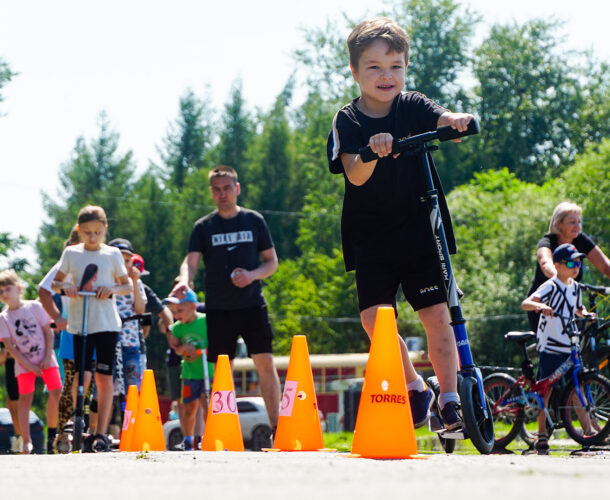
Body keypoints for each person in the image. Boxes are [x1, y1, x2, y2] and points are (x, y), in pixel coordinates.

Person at [326, 17, 476, 431]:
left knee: (436, 315)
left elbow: (443, 120)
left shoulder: (412, 106)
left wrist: (456, 120)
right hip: (371, 235)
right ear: (355, 72)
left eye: (395, 66)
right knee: (375, 319)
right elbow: (354, 174)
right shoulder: (349, 121)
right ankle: (415, 385)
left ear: (406, 68)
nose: (386, 76)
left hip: (420, 228)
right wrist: (373, 152)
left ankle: (449, 401)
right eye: (373, 67)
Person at [171, 165, 281, 437]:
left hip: (253, 305)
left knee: (265, 362)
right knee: (222, 370)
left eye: (227, 188)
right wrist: (185, 279)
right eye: (217, 189)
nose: (223, 194)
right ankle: (224, 431)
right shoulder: (203, 227)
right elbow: (191, 263)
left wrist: (252, 275)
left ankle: (278, 428)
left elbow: (272, 263)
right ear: (211, 192)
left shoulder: (254, 221)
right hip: (219, 309)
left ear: (237, 189)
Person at [51, 205, 133, 440]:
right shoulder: (72, 254)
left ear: (105, 229)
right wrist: (67, 286)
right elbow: (56, 284)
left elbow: (126, 286)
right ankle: (78, 418)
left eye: (98, 232)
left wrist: (112, 289)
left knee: (104, 378)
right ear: (79, 230)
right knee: (81, 374)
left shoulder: (112, 254)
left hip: (106, 324)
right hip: (80, 323)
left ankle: (101, 431)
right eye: (87, 232)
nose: (93, 237)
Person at [521, 243, 594, 454]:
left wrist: (585, 314)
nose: (576, 267)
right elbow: (527, 303)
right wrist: (541, 306)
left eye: (578, 263)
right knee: (546, 389)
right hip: (551, 345)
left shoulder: (575, 287)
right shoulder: (550, 285)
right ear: (557, 266)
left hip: (569, 343)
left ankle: (588, 433)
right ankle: (541, 434)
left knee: (577, 388)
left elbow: (578, 309)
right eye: (571, 263)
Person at [0, 269, 63, 454]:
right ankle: (26, 441)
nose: (4, 294)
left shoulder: (35, 307)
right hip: (24, 364)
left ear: (18, 288)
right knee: (24, 400)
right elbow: (10, 347)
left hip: (46, 359)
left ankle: (57, 434)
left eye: (7, 289)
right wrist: (29, 366)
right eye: (0, 291)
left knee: (57, 392)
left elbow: (48, 331)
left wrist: (45, 357)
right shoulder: (3, 318)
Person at [527, 201, 610, 332]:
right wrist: (562, 278)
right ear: (558, 224)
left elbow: (605, 267)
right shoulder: (547, 242)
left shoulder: (581, 240)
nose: (577, 227)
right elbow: (545, 263)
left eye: (579, 222)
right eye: (572, 222)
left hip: (569, 304)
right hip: (544, 307)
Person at [38, 225, 82, 451]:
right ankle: (54, 436)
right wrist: (56, 319)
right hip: (61, 335)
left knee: (80, 384)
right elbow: (43, 293)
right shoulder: (63, 266)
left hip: (87, 329)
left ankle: (78, 431)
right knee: (58, 389)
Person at [163, 288, 213, 451]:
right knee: (188, 407)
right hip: (190, 372)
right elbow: (176, 349)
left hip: (208, 371)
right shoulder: (177, 328)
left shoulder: (206, 321)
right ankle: (188, 439)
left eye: (180, 310)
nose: (176, 315)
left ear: (192, 306)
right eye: (173, 312)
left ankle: (209, 436)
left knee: (207, 404)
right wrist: (185, 347)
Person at [108, 238, 147, 392]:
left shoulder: (135, 283)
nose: (124, 265)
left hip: (130, 342)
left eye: (128, 261)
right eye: (120, 260)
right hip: (109, 340)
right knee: (107, 387)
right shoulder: (105, 281)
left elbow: (140, 310)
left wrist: (135, 282)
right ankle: (108, 416)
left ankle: (132, 415)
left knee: (133, 386)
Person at [0, 342, 22, 452]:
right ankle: (18, 438)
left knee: (15, 404)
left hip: (13, 361)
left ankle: (20, 441)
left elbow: (3, 354)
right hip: (14, 361)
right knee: (10, 403)